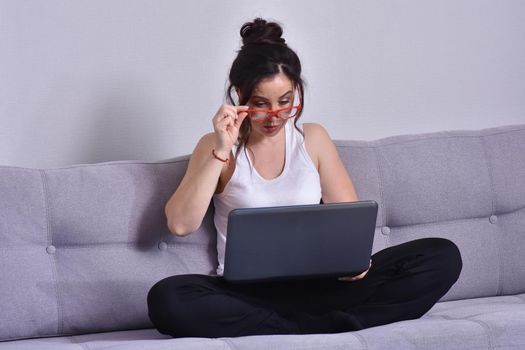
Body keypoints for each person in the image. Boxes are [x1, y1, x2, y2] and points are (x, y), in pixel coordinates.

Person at [147, 18, 462, 338]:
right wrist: (222, 148)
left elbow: (349, 227)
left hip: (324, 288)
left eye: (285, 102)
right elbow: (180, 224)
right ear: (239, 96)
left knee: (442, 256)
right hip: (250, 296)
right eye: (261, 105)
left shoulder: (313, 139)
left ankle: (293, 328)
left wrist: (357, 260)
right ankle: (325, 327)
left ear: (296, 91)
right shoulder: (216, 146)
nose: (276, 117)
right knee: (167, 299)